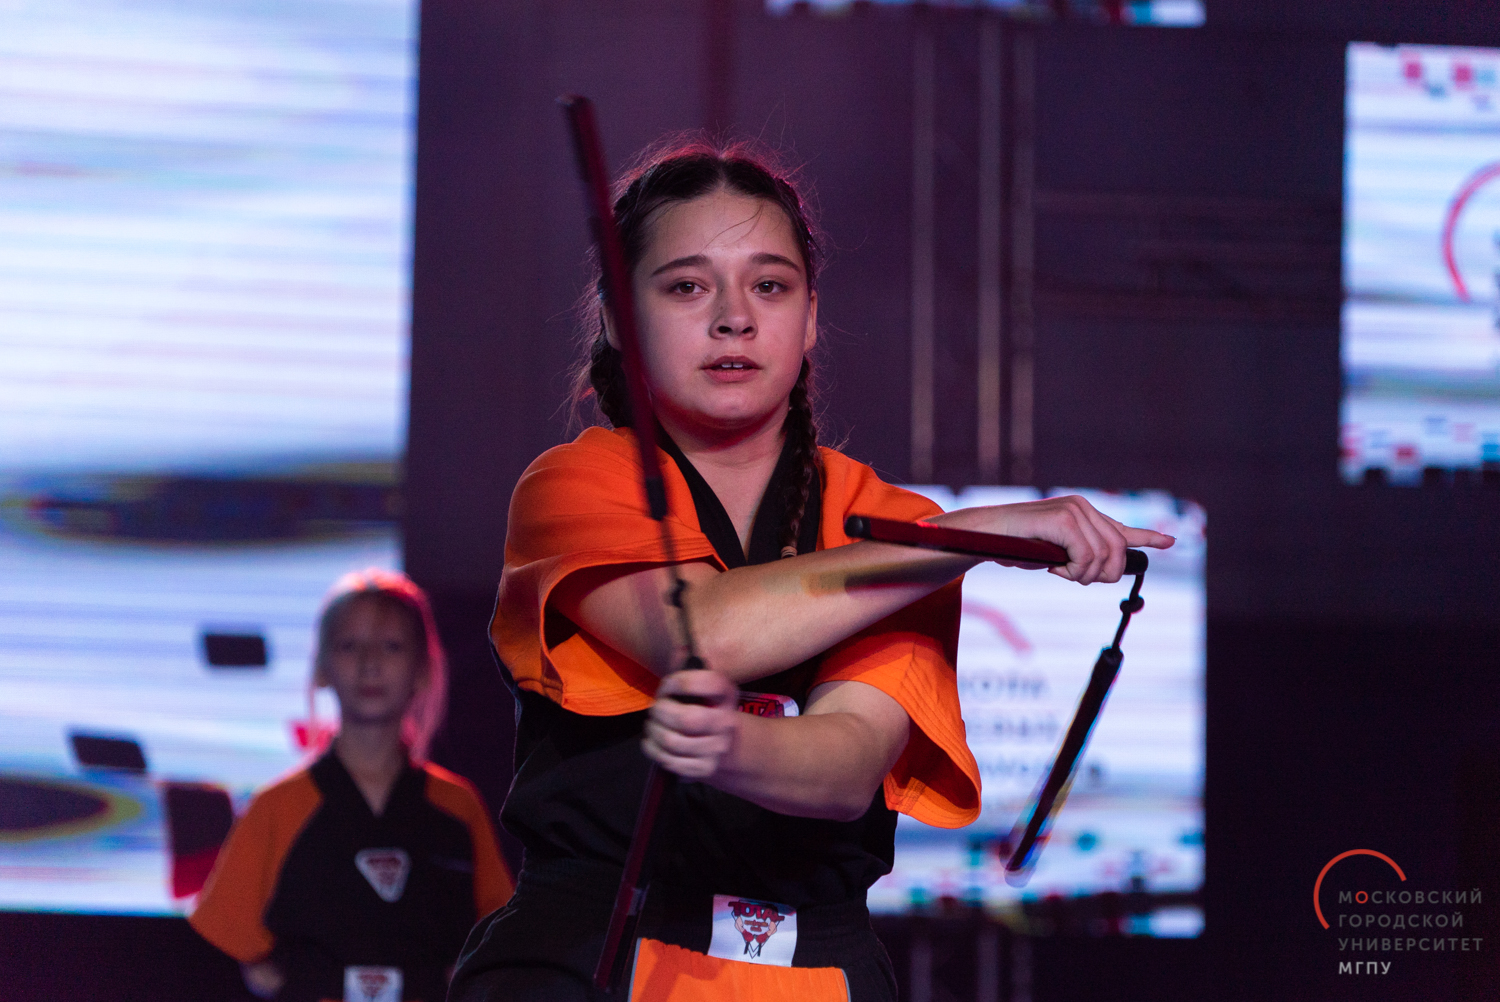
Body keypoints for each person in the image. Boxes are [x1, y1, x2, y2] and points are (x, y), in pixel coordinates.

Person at [449, 140, 1173, 1002]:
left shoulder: (888, 515)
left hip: (814, 970)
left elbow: (847, 767)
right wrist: (968, 535)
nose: (734, 318)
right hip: (591, 955)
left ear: (811, 318)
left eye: (770, 285)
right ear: (616, 318)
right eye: (686, 287)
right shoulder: (575, 481)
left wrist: (732, 747)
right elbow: (703, 631)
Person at [190, 569, 514, 1002]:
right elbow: (234, 940)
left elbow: (497, 933)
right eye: (349, 645)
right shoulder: (278, 807)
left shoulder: (458, 807)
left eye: (392, 646)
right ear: (321, 667)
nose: (370, 663)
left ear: (423, 668)